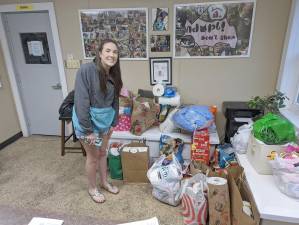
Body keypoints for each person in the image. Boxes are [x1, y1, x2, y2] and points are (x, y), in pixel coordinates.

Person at [72, 39, 123, 203]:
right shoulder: (86, 70)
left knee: (102, 153)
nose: (111, 55)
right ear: (100, 53)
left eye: (115, 52)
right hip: (87, 123)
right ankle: (92, 188)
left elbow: (115, 101)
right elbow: (81, 101)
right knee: (92, 157)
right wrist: (88, 130)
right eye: (108, 51)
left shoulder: (114, 74)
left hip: (104, 122)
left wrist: (113, 123)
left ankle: (104, 182)